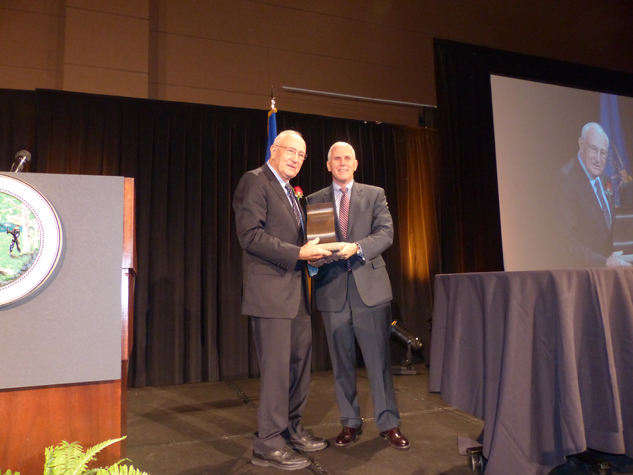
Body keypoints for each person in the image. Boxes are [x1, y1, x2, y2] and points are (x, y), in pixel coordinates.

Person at [233, 130, 332, 470]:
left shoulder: (292, 192)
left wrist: (316, 254)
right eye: (290, 150)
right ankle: (268, 444)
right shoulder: (255, 181)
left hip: (297, 293)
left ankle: (292, 430)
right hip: (270, 294)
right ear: (274, 149)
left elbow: (299, 241)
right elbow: (249, 235)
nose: (295, 158)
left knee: (299, 366)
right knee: (276, 371)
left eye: (301, 155)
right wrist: (298, 253)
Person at [306, 142, 410, 450]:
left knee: (378, 362)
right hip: (332, 291)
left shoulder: (374, 194)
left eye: (347, 158)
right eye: (336, 158)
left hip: (370, 291)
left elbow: (386, 233)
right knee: (341, 363)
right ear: (328, 165)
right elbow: (315, 243)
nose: (342, 162)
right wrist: (314, 258)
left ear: (355, 163)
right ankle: (349, 422)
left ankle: (388, 424)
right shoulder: (314, 200)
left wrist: (358, 247)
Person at [556, 122, 631, 267]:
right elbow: (566, 243)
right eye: (594, 149)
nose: (598, 158)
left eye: (603, 153)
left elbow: (608, 232)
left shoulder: (606, 181)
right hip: (585, 274)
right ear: (581, 144)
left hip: (608, 274)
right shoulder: (566, 180)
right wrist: (604, 263)